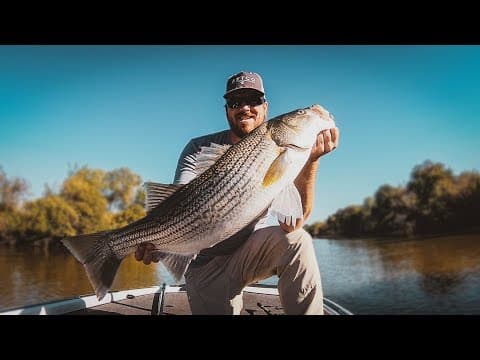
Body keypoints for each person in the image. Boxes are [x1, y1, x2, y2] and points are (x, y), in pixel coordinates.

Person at [135, 71, 339, 315]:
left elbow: (292, 223)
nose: (245, 108)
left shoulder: (288, 155)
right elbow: (178, 202)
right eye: (235, 102)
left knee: (298, 241)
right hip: (204, 264)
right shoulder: (198, 149)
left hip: (250, 252)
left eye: (253, 101)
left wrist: (312, 161)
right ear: (226, 110)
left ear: (265, 108)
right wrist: (157, 240)